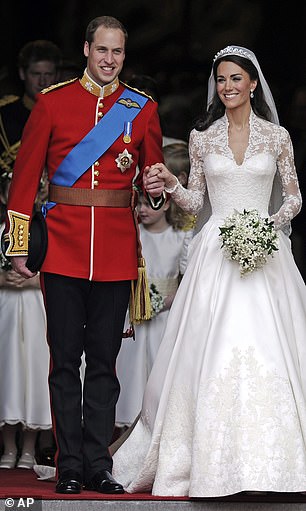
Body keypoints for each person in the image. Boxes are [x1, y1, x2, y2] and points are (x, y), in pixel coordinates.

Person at [111, 45, 306, 497]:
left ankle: (278, 465)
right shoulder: (203, 138)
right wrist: (173, 184)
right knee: (209, 347)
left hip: (265, 249)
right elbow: (198, 203)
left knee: (274, 346)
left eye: (236, 78)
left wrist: (266, 227)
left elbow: (294, 198)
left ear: (253, 84)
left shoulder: (277, 137)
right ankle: (206, 463)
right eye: (221, 80)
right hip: (216, 251)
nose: (228, 87)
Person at [4, 15, 164, 494]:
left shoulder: (143, 109)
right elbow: (25, 180)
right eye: (102, 50)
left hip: (115, 252)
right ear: (86, 50)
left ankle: (99, 464)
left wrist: (156, 193)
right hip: (63, 252)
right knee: (63, 362)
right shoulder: (53, 104)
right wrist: (17, 247)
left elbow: (152, 183)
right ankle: (69, 463)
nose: (110, 60)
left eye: (118, 52)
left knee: (104, 364)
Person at [115, 191, 192, 429]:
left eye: (149, 204)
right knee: (130, 371)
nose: (143, 209)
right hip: (135, 315)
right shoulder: (133, 236)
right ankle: (126, 427)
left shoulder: (180, 238)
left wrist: (167, 301)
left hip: (166, 317)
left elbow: (189, 280)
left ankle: (157, 427)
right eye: (139, 204)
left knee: (160, 371)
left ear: (167, 203)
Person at [0, 171, 52, 470]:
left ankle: (30, 447)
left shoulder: (44, 230)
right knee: (9, 370)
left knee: (32, 369)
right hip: (7, 309)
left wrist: (33, 283)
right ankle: (8, 446)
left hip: (34, 307)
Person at [0, 39, 62, 178]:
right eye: (36, 74)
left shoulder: (70, 116)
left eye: (48, 75)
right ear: (22, 74)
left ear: (57, 76)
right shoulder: (4, 116)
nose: (42, 82)